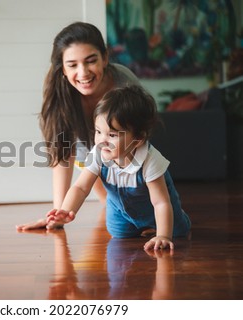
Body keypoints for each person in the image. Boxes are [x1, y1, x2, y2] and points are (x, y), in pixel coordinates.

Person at [19, 85, 191, 250]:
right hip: (120, 210)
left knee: (177, 231)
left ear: (138, 139)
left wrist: (163, 236)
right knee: (119, 234)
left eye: (112, 135)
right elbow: (80, 187)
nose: (102, 140)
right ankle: (134, 225)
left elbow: (160, 202)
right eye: (98, 132)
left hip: (154, 208)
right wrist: (66, 210)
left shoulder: (149, 160)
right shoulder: (99, 153)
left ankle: (168, 223)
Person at [18, 22, 140, 229]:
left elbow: (139, 138)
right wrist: (57, 215)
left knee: (131, 208)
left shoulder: (124, 83)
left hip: (125, 150)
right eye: (72, 65)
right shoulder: (60, 93)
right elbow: (63, 155)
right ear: (63, 69)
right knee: (110, 204)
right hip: (87, 154)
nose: (83, 73)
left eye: (91, 61)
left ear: (105, 58)